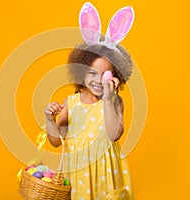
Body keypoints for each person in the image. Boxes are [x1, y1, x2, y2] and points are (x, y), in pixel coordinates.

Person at [44, 2, 135, 199]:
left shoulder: (115, 102)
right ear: (81, 73)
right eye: (92, 73)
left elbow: (113, 134)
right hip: (76, 175)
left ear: (116, 76)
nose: (98, 79)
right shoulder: (71, 102)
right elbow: (55, 142)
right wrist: (50, 120)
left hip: (105, 176)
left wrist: (109, 99)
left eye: (105, 74)